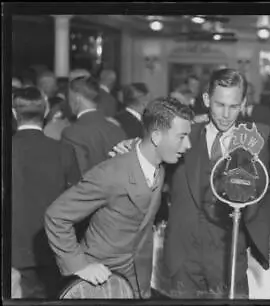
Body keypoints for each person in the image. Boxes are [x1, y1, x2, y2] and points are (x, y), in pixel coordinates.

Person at [110, 68, 270, 299]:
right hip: (183, 259)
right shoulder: (184, 133)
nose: (226, 114)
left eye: (234, 106)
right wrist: (131, 145)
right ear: (207, 100)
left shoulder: (261, 136)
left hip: (231, 259)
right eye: (219, 105)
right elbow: (151, 144)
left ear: (243, 103)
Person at [45, 97, 194, 299]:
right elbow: (56, 215)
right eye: (182, 137)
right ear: (157, 137)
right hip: (101, 284)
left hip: (137, 282)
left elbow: (142, 148)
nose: (187, 145)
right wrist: (79, 265)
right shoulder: (110, 174)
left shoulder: (158, 163)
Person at [12, 87, 81, 298]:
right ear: (46, 111)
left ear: (14, 114)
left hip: (13, 250)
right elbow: (78, 202)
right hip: (53, 247)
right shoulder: (63, 151)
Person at [61, 75, 127, 175]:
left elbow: (77, 175)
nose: (68, 103)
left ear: (77, 99)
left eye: (69, 98)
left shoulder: (71, 133)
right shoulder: (117, 129)